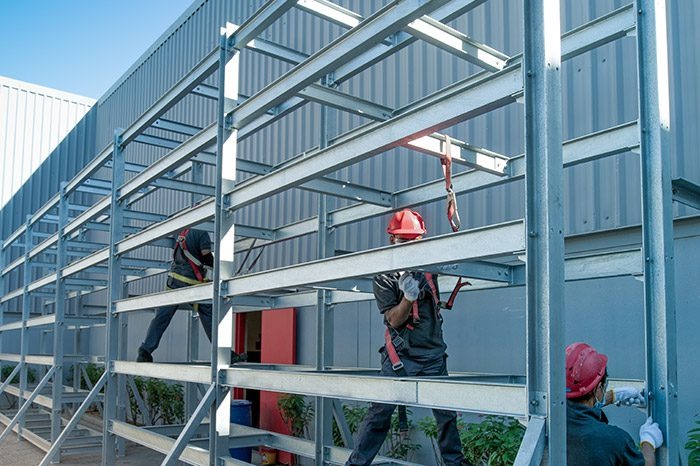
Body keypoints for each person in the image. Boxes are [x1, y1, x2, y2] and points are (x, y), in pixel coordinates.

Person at [345, 209, 471, 466]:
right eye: (404, 241)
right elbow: (393, 319)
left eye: (415, 241)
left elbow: (453, 254)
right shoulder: (385, 275)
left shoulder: (428, 266)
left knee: (446, 414)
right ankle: (356, 464)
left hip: (433, 354)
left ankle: (454, 462)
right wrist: (408, 297)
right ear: (392, 240)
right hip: (401, 356)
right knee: (380, 414)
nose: (410, 247)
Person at [566, 342, 663, 466]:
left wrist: (612, 396)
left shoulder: (551, 423)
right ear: (598, 388)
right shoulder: (614, 440)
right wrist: (648, 442)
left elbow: (576, 409)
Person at [136, 228, 221, 362]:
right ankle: (222, 352)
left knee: (162, 316)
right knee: (207, 311)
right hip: (190, 282)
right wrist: (220, 267)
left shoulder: (181, 231)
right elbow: (206, 255)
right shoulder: (202, 233)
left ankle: (145, 350)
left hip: (174, 280)